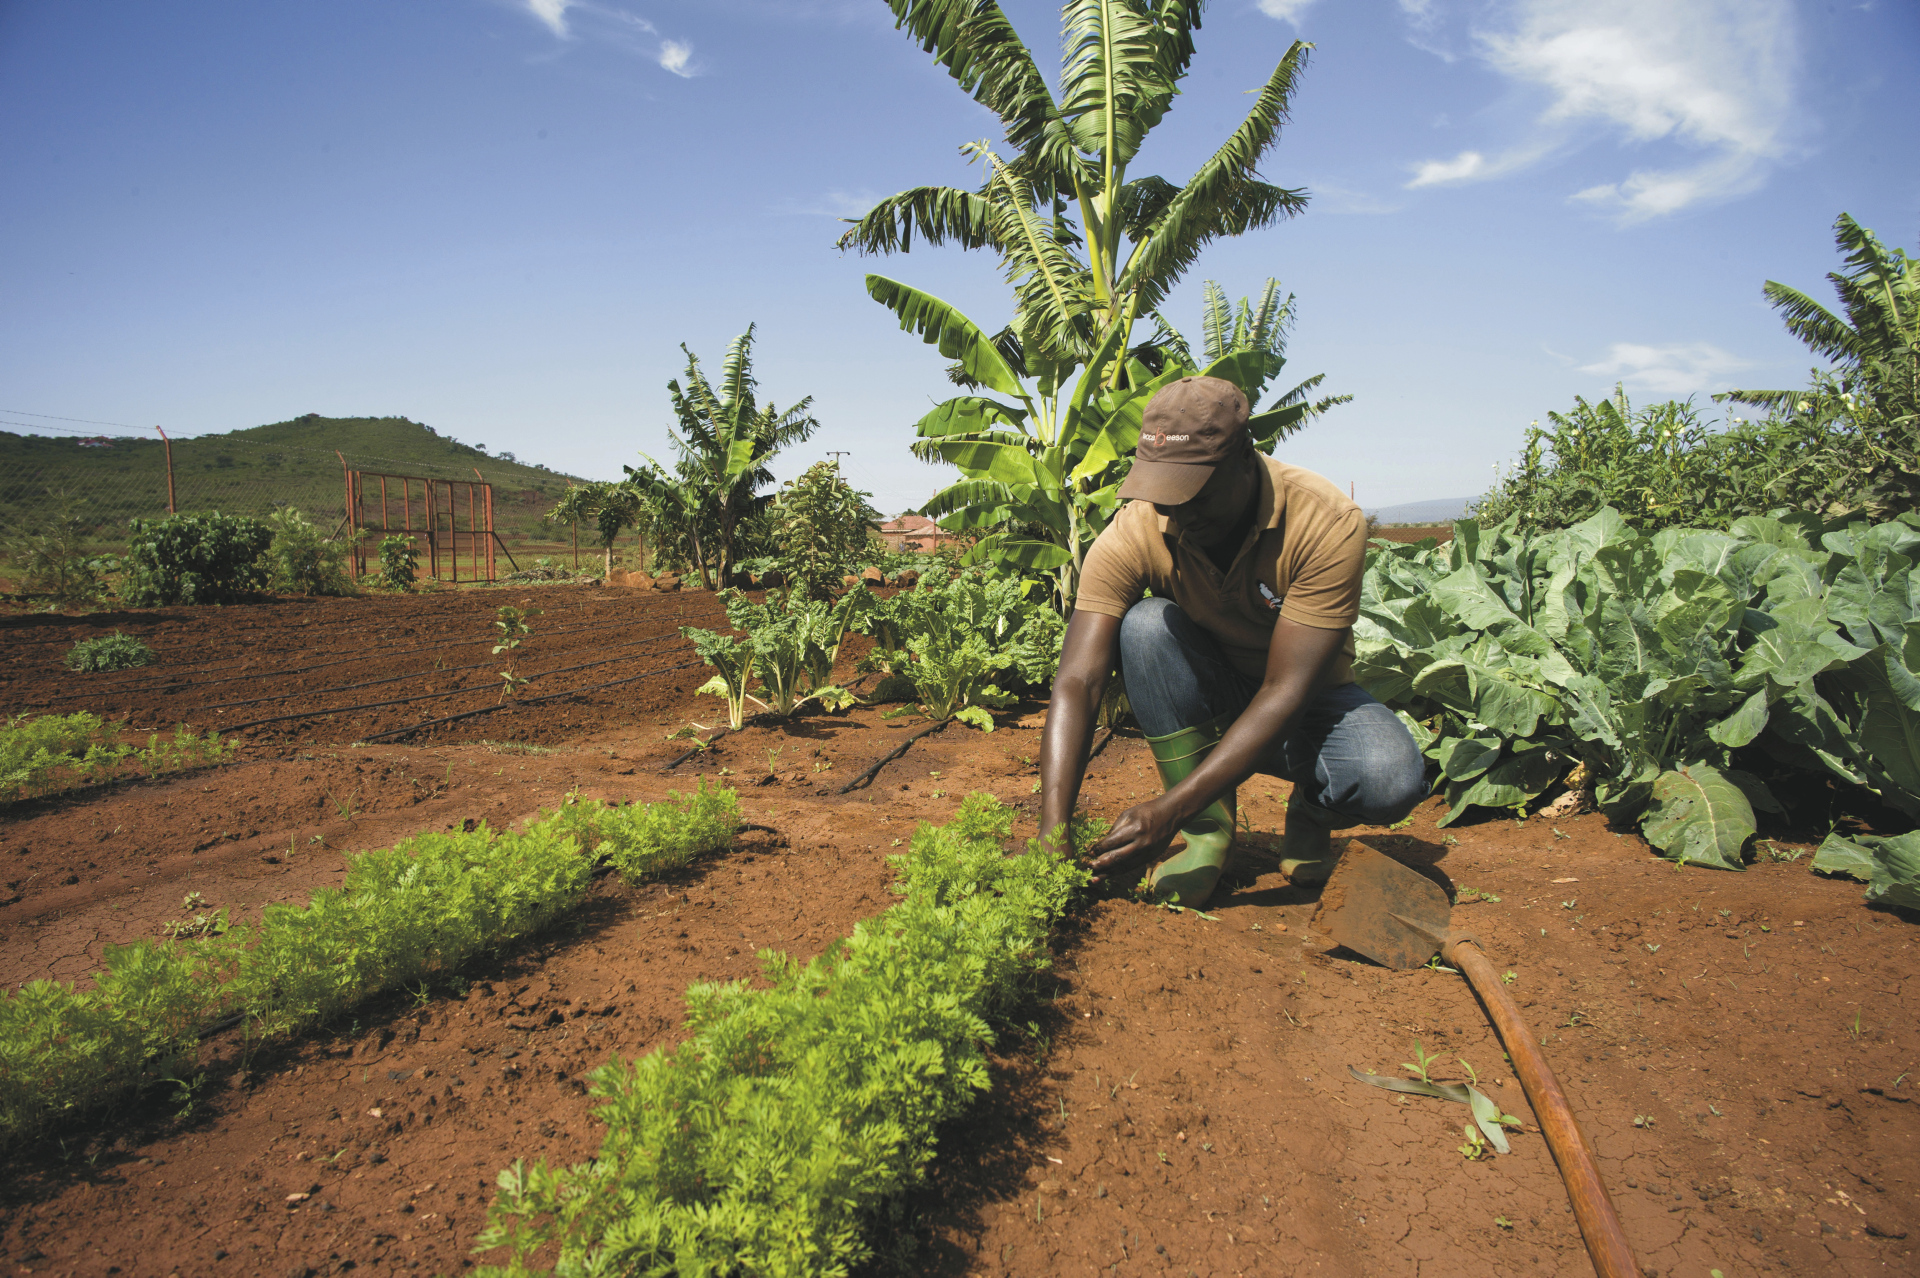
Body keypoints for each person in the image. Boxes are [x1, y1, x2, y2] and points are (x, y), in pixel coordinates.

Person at [1037, 375, 1427, 908]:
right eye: (1164, 494)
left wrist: (1167, 811)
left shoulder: (1323, 520)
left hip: (1305, 701)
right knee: (1147, 625)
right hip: (1207, 689)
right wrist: (1054, 831)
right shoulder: (1138, 527)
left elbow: (1285, 691)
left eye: (1193, 493)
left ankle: (1314, 808)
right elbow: (1078, 681)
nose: (1178, 513)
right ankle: (1208, 835)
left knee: (1388, 779)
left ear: (1245, 457)